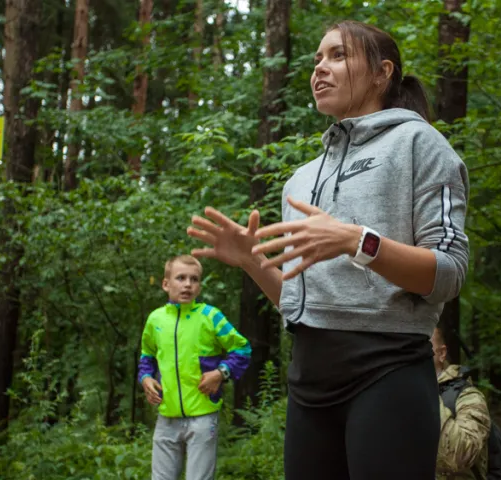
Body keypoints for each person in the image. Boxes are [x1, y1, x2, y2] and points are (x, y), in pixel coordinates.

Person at [186, 20, 469, 480]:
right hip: (308, 381)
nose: (319, 69)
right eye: (317, 58)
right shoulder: (302, 179)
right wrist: (251, 262)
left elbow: (450, 273)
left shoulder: (420, 144)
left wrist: (358, 240)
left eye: (337, 55)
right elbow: (300, 303)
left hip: (389, 371)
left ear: (382, 73)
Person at [138, 255, 251, 480]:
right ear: (166, 284)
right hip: (166, 415)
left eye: (194, 279)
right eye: (181, 278)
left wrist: (221, 373)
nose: (188, 284)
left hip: (203, 417)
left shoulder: (210, 316)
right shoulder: (155, 319)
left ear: (199, 286)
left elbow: (242, 349)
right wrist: (145, 378)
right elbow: (146, 356)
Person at [432, 327, 491, 480]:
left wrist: (425, 391)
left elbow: (460, 456)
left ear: (441, 353)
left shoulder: (468, 396)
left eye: (422, 344)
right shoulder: (400, 392)